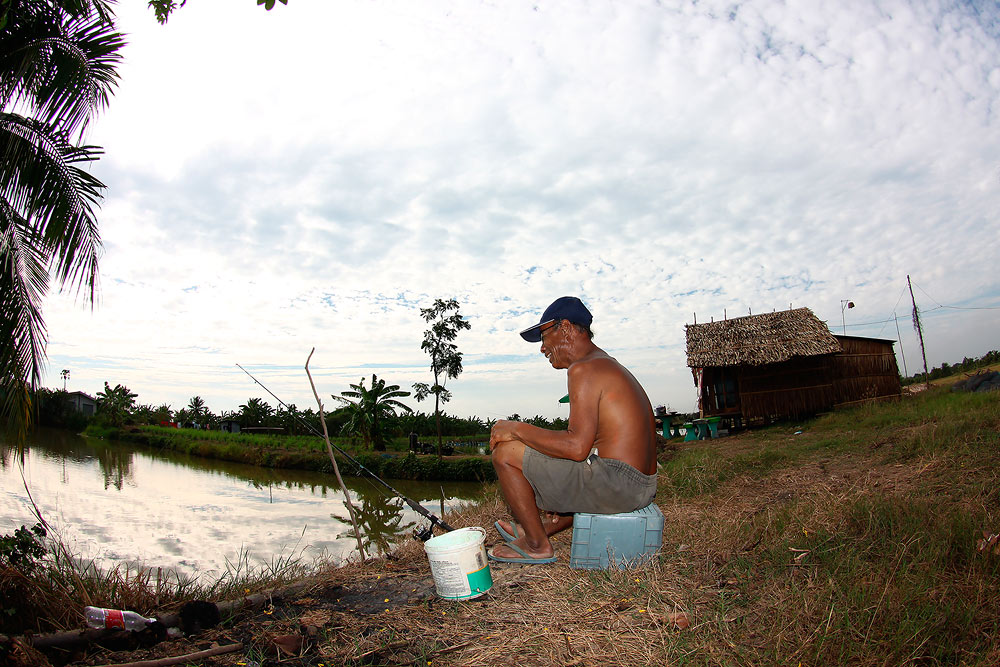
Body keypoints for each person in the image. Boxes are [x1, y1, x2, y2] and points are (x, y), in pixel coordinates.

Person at [488, 296, 658, 564]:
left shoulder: (583, 369)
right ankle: (541, 526)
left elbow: (576, 447)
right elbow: (585, 445)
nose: (543, 348)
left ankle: (536, 544)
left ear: (565, 328)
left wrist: (515, 429)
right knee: (552, 455)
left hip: (621, 487)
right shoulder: (606, 363)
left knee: (505, 453)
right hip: (641, 484)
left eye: (545, 337)